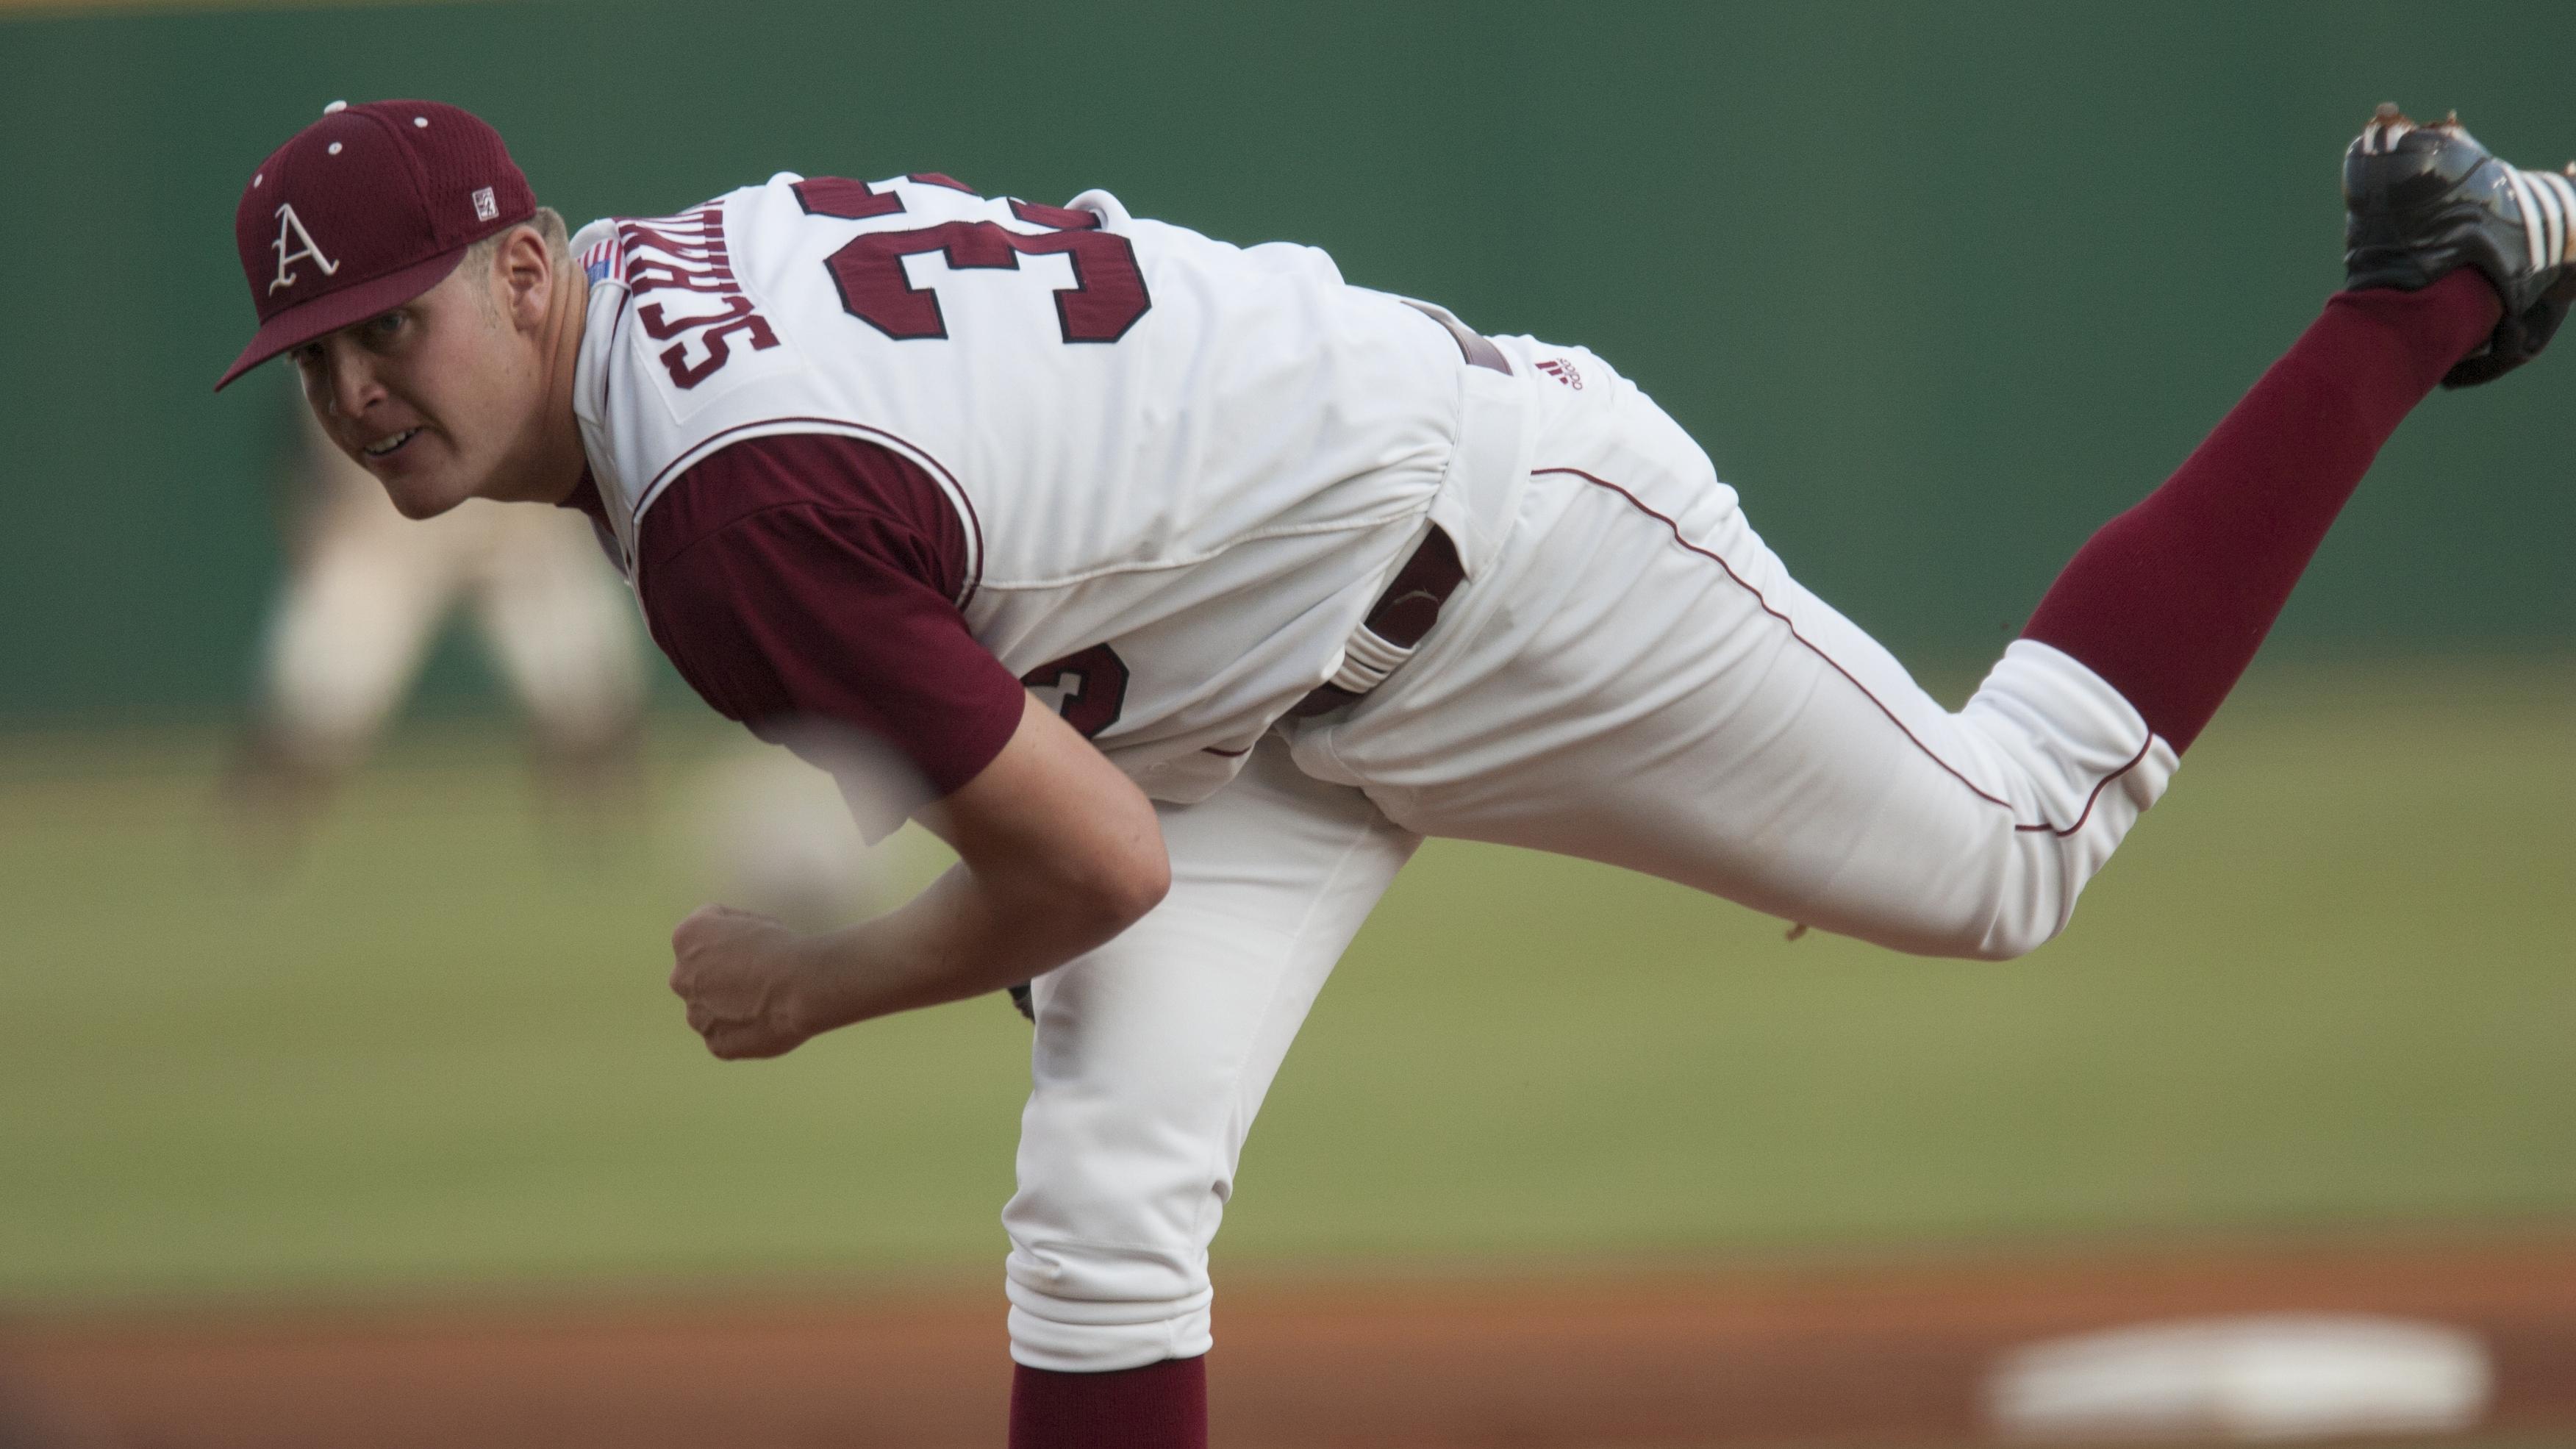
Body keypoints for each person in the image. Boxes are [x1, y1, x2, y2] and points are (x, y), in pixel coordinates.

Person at [214, 98, 2572, 1448]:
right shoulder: (659, 279)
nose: (355, 396)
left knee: (2006, 852)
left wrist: (820, 983)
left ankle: (2423, 276)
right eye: (311, 361)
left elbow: (1090, 868)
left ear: (521, 270)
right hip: (1233, 673)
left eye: (383, 326)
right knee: (1103, 1219)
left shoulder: (720, 514)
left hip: (1498, 552)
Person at [223, 387, 648, 854]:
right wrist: (315, 521)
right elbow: (302, 447)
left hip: (513, 527)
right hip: (388, 534)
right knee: (316, 700)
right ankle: (255, 825)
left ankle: (606, 829)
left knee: (583, 690)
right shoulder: (345, 358)